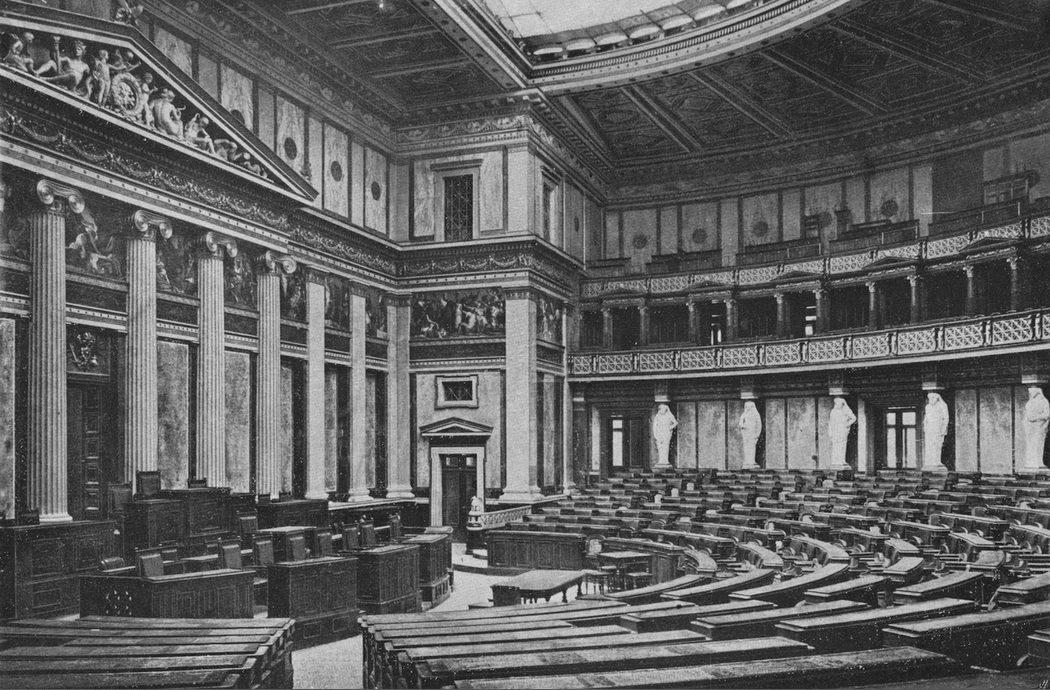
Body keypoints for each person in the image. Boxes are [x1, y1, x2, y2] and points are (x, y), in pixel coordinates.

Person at [1025, 386, 1050, 471]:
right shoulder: (1029, 403)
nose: (1030, 393)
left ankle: (1039, 461)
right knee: (1032, 445)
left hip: (1041, 427)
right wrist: (1040, 417)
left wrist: (1038, 418)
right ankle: (1032, 462)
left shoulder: (1044, 401)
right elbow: (1030, 417)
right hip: (1032, 428)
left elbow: (1047, 415)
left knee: (1039, 445)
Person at [923, 392, 950, 471]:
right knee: (929, 445)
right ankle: (929, 462)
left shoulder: (942, 405)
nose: (931, 400)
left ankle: (937, 461)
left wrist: (943, 429)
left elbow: (946, 418)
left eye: (933, 398)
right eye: (930, 398)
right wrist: (925, 427)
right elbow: (926, 418)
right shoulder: (928, 407)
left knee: (937, 445)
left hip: (938, 427)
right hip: (929, 429)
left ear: (937, 398)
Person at [828, 397, 856, 468]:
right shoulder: (833, 411)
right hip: (835, 430)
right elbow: (830, 422)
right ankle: (835, 461)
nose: (837, 405)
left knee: (842, 445)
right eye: (836, 403)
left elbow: (853, 418)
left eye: (839, 404)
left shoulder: (846, 410)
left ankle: (841, 460)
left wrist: (847, 424)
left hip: (842, 430)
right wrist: (830, 432)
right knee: (835, 445)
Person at [652, 403, 678, 468]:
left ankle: (665, 461)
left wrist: (669, 427)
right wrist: (656, 435)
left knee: (666, 447)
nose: (662, 410)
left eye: (664, 409)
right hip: (660, 433)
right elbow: (654, 426)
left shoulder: (669, 415)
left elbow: (675, 423)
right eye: (661, 409)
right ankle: (661, 461)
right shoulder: (657, 416)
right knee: (660, 447)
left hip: (666, 433)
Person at [739, 401, 762, 469]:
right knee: (746, 448)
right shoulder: (744, 414)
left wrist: (757, 434)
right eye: (746, 407)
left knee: (752, 447)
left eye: (749, 406)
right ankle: (747, 462)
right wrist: (743, 426)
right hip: (746, 433)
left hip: (753, 433)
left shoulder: (756, 414)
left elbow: (759, 425)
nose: (747, 408)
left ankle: (751, 461)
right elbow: (740, 423)